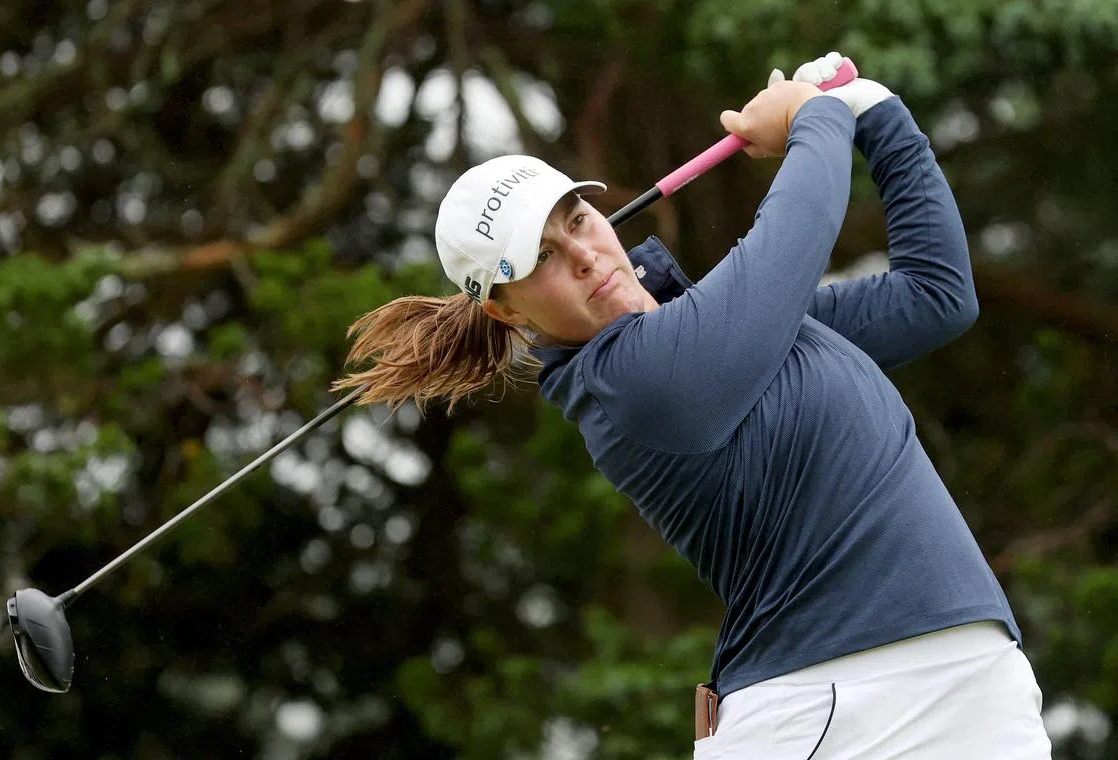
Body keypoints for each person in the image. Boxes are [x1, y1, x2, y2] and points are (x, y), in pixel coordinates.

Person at [333, 53, 1053, 759]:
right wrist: (816, 115)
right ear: (503, 312)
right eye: (541, 258)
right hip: (830, 711)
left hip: (974, 685)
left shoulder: (740, 330)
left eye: (577, 219)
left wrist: (877, 111)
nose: (582, 254)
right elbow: (796, 230)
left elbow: (936, 297)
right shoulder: (627, 381)